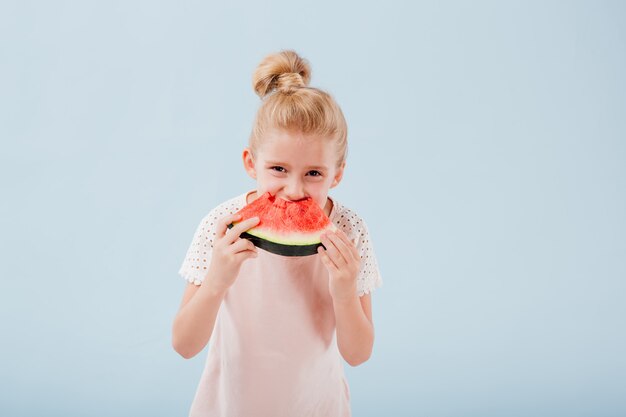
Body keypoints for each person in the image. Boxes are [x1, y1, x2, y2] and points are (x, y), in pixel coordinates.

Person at [172, 49, 383, 417]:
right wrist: (217, 281)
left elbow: (359, 355)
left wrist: (345, 292)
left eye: (314, 174)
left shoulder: (349, 230)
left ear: (337, 174)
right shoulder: (223, 224)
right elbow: (184, 344)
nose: (295, 191)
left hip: (318, 407)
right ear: (251, 163)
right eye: (278, 169)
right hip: (230, 407)